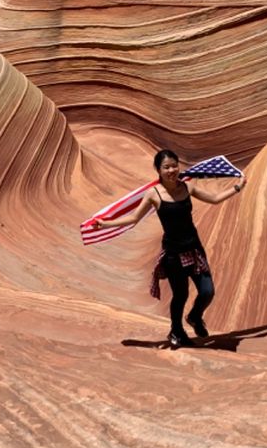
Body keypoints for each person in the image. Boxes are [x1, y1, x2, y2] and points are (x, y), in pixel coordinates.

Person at [89, 149, 246, 348]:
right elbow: (134, 218)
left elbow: (214, 199)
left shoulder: (187, 187)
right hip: (174, 254)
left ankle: (195, 317)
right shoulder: (153, 194)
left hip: (194, 249)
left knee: (207, 291)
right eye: (166, 167)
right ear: (158, 170)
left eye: (174, 165)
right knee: (180, 295)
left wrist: (237, 188)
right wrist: (105, 224)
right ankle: (176, 331)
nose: (171, 170)